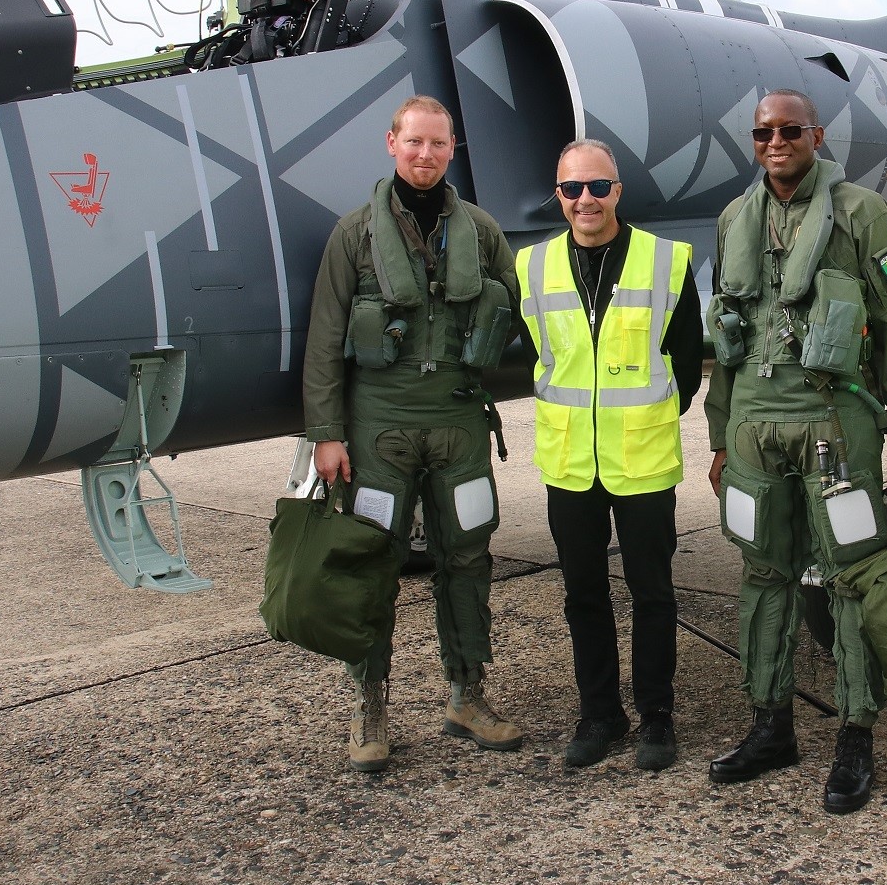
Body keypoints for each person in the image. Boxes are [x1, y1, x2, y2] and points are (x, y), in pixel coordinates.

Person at [704, 88, 887, 815]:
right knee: (762, 574)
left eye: (790, 130)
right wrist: (717, 434)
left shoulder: (862, 213)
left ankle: (855, 738)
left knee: (850, 577)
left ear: (816, 135)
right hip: (753, 424)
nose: (777, 142)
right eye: (764, 132)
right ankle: (770, 725)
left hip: (836, 423)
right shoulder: (735, 219)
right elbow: (727, 341)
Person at [301, 94, 523, 771]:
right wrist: (326, 433)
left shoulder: (481, 231)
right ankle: (369, 707)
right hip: (378, 430)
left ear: (453, 149)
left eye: (438, 143)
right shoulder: (354, 235)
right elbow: (325, 340)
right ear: (391, 143)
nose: (425, 155)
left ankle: (467, 694)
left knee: (468, 561)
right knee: (372, 568)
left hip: (457, 423)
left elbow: (521, 310)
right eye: (414, 142)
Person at [515, 141, 703, 771]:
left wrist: (642, 418)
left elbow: (686, 358)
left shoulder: (666, 261)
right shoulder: (533, 267)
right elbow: (534, 356)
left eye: (597, 187)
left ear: (617, 190)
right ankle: (599, 715)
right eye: (572, 190)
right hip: (570, 462)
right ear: (558, 195)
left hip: (642, 459)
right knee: (583, 595)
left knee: (653, 593)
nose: (585, 201)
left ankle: (656, 717)